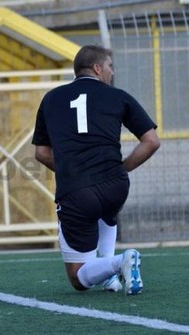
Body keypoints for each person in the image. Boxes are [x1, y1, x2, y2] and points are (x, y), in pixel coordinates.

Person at [31, 45, 160, 295]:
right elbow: (152, 141)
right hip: (115, 185)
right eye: (110, 66)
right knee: (106, 213)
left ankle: (118, 263)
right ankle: (111, 278)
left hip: (76, 190)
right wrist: (123, 169)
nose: (113, 71)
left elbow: (42, 153)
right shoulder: (118, 96)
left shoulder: (51, 99)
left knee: (78, 278)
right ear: (98, 68)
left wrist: (70, 170)